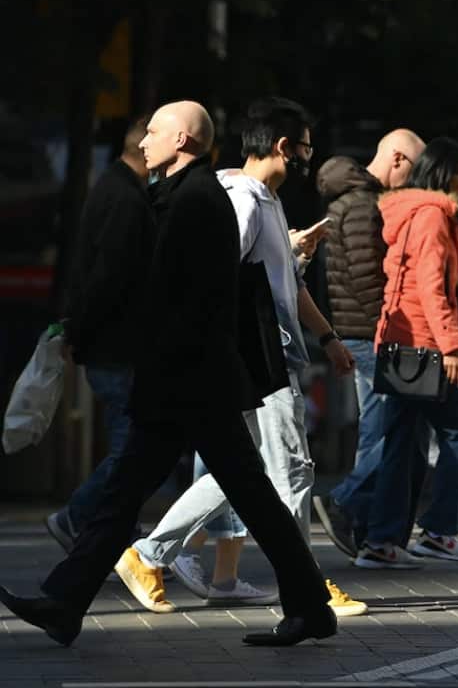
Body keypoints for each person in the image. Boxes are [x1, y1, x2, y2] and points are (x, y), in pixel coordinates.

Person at [0, 100, 334, 647]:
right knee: (151, 492)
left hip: (190, 380)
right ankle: (64, 602)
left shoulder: (198, 201)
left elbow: (189, 299)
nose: (143, 140)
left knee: (237, 493)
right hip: (188, 379)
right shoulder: (182, 197)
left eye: (153, 132)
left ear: (181, 140)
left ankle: (310, 607)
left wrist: (145, 351)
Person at [114, 97, 366, 617]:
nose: (308, 159)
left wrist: (326, 337)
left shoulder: (267, 202)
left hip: (269, 357)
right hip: (259, 360)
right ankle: (308, 587)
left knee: (242, 471)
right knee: (291, 470)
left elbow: (283, 285)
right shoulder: (244, 201)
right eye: (305, 148)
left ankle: (149, 553)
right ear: (282, 146)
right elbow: (224, 285)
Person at [353, 137, 458, 569]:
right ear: (447, 175)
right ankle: (438, 531)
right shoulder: (431, 217)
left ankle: (382, 540)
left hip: (398, 341)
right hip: (421, 346)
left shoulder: (411, 211)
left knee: (401, 444)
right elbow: (430, 289)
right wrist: (451, 345)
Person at [309, 131, 429, 558]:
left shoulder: (357, 202)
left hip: (366, 332)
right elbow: (366, 278)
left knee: (392, 433)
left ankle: (376, 533)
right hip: (374, 334)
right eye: (414, 169)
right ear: (396, 158)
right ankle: (344, 502)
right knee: (389, 434)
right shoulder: (363, 206)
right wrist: (392, 327)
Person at [46, 116, 155, 550]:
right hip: (116, 345)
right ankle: (78, 517)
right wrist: (82, 330)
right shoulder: (125, 198)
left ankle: (113, 529)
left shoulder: (114, 188)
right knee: (130, 447)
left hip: (108, 342)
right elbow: (107, 276)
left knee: (130, 443)